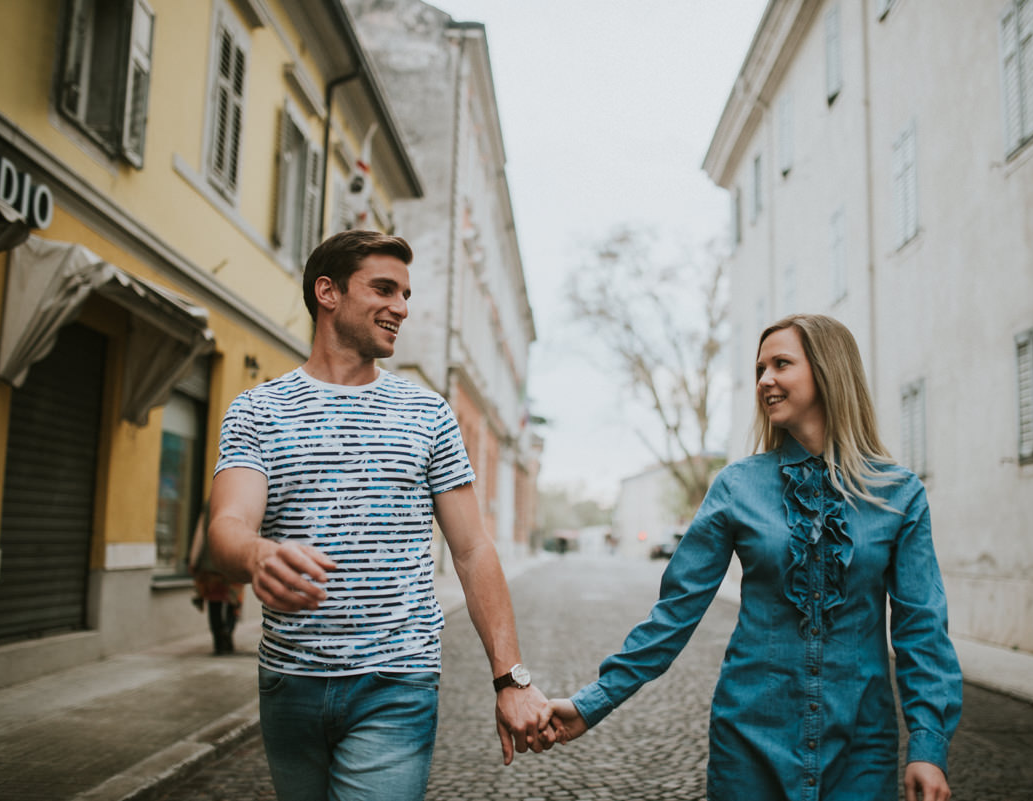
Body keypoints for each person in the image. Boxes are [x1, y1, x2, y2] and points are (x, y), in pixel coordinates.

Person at [547, 314, 962, 801]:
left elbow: (921, 629)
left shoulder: (898, 495)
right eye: (759, 369)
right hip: (748, 743)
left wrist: (928, 747)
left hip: (861, 747)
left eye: (781, 364)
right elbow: (674, 614)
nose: (764, 380)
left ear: (828, 371)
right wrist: (591, 702)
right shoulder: (736, 486)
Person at [207, 230, 553, 801]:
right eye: (384, 289)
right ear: (328, 292)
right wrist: (257, 554)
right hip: (290, 681)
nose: (402, 308)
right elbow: (228, 527)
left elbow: (472, 550)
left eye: (406, 294)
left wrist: (511, 679)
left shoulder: (426, 413)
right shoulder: (258, 410)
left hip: (397, 680)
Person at [188, 501, 244, 654]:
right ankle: (228, 633)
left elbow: (199, 534)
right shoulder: (242, 499)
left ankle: (219, 641)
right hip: (233, 564)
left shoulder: (209, 505)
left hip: (210, 565)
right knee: (233, 602)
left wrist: (193, 560)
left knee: (214, 604)